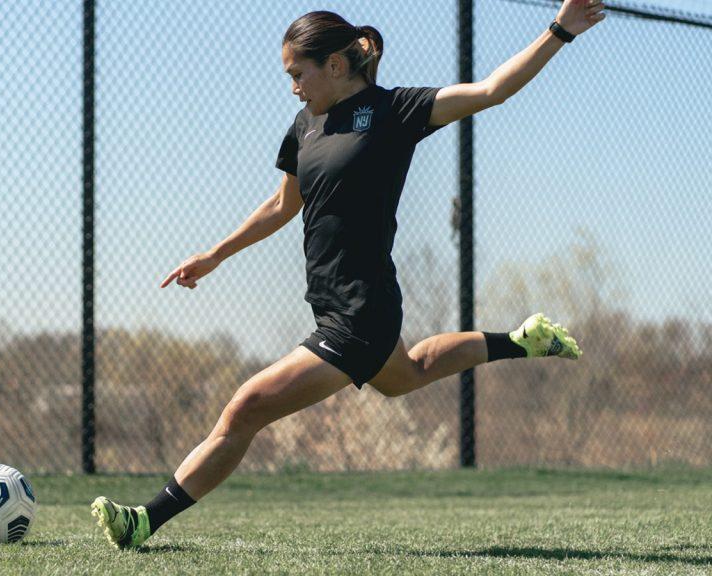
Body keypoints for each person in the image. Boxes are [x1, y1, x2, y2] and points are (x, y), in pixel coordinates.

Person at [92, 0, 604, 550]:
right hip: (336, 305)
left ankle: (143, 521)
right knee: (407, 374)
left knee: (246, 407)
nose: (292, 87)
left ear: (335, 64)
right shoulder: (304, 125)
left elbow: (491, 90)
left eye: (298, 73)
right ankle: (523, 341)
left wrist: (559, 30)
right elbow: (281, 205)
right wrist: (217, 254)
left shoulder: (395, 111)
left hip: (362, 312)